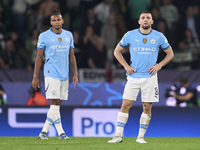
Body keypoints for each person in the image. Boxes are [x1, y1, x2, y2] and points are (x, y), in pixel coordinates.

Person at [108, 11, 174, 144]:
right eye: (143, 18)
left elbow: (170, 54)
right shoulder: (130, 35)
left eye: (148, 18)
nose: (145, 20)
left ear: (152, 21)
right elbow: (116, 51)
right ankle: (118, 136)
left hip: (150, 77)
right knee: (126, 104)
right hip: (133, 77)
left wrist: (159, 65)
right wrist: (126, 66)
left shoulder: (159, 36)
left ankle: (140, 137)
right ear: (139, 21)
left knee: (147, 107)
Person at [32, 10, 78, 140]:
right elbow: (39, 57)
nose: (56, 22)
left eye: (58, 20)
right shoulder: (44, 36)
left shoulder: (68, 35)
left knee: (56, 105)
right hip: (50, 72)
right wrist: (35, 76)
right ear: (51, 22)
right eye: (54, 20)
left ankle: (43, 132)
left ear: (62, 21)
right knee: (54, 102)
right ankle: (61, 133)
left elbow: (72, 56)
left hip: (64, 74)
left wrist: (75, 73)